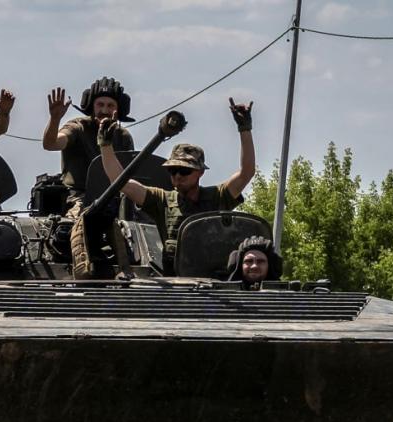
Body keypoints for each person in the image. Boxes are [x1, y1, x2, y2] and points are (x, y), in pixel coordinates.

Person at [98, 98, 256, 274]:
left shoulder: (218, 197)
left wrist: (244, 129)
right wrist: (106, 145)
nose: (178, 176)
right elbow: (121, 182)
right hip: (175, 284)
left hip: (214, 283)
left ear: (200, 172)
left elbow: (246, 173)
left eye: (184, 171)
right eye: (173, 170)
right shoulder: (162, 200)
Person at [43, 77, 135, 277]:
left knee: (133, 232)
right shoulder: (79, 127)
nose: (104, 109)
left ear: (118, 110)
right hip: (79, 197)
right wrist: (55, 119)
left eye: (110, 105)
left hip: (114, 199)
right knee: (71, 230)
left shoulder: (123, 136)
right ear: (92, 106)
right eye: (100, 104)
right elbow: (51, 143)